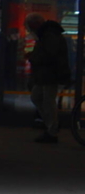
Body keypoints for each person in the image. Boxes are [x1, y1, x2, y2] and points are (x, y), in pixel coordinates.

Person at [25, 12, 71, 143]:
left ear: (35, 24)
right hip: (47, 74)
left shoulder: (48, 35)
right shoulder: (48, 33)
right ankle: (52, 125)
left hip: (49, 74)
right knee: (40, 98)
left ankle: (52, 128)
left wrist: (33, 58)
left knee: (45, 100)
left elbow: (49, 55)